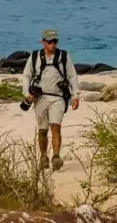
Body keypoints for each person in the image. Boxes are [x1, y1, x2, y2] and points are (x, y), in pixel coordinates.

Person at [21, 29, 80, 171]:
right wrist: (27, 94)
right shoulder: (34, 56)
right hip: (39, 98)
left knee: (56, 127)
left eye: (55, 41)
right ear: (43, 42)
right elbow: (26, 76)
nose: (52, 44)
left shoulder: (64, 56)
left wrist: (76, 95)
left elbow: (72, 76)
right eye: (49, 42)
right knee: (42, 130)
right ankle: (43, 157)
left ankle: (56, 157)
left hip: (58, 98)